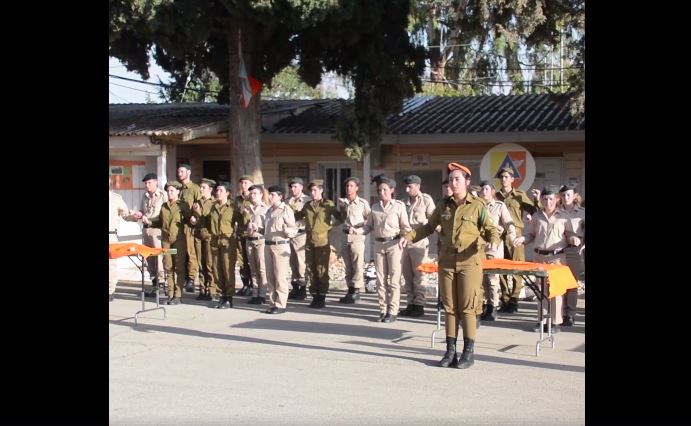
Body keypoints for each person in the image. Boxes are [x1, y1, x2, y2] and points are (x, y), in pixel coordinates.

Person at [404, 163, 499, 368]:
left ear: (467, 182)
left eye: (457, 179)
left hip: (469, 261)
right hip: (447, 261)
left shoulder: (478, 205)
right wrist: (409, 237)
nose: (453, 182)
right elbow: (429, 227)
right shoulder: (443, 205)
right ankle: (450, 351)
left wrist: (493, 240)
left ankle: (468, 352)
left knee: (468, 307)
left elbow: (491, 229)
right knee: (449, 307)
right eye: (451, 179)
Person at [513, 185, 569, 333]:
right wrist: (522, 239)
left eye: (551, 199)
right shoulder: (537, 216)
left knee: (556, 291)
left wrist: (575, 239)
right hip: (540, 257)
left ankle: (556, 322)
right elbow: (531, 235)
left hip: (557, 257)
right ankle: (542, 320)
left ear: (556, 199)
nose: (548, 202)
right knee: (541, 291)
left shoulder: (563, 217)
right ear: (541, 200)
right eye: (545, 199)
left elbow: (570, 235)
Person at [355, 177, 411, 323]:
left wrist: (405, 237)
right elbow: (369, 226)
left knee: (394, 280)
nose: (382, 192)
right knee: (380, 280)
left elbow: (405, 227)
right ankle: (383, 309)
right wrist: (359, 231)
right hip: (379, 245)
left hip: (394, 244)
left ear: (392, 190)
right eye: (380, 190)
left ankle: (393, 311)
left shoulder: (399, 206)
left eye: (385, 189)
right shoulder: (374, 207)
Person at [495, 166, 539, 313]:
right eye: (501, 177)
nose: (503, 179)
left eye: (507, 177)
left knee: (516, 268)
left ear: (512, 179)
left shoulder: (519, 195)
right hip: (499, 235)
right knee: (500, 268)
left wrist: (537, 199)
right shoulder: (496, 196)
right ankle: (505, 299)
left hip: (515, 235)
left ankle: (514, 300)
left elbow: (534, 210)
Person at [295, 179, 341, 309]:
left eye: (315, 190)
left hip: (322, 240)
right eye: (311, 190)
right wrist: (290, 207)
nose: (313, 193)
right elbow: (297, 216)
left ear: (321, 190)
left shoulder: (328, 204)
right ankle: (314, 295)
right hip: (309, 240)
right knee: (311, 268)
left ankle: (322, 297)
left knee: (321, 269)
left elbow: (340, 218)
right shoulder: (308, 205)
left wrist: (330, 225)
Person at [477, 180, 516, 321]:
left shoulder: (499, 206)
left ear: (493, 191)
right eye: (482, 189)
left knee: (492, 278)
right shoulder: (477, 206)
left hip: (494, 247)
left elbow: (509, 223)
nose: (484, 192)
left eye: (487, 189)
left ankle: (493, 307)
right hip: (479, 247)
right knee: (480, 279)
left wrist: (511, 235)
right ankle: (483, 306)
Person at [399, 175, 435, 317]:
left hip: (419, 242)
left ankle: (419, 305)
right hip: (405, 242)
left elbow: (433, 219)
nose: (407, 189)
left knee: (419, 275)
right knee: (407, 275)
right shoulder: (403, 202)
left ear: (418, 187)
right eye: (406, 187)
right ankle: (410, 303)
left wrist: (423, 220)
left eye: (410, 187)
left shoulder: (426, 200)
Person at [152, 181, 191, 305]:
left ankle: (178, 295)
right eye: (168, 191)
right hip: (166, 242)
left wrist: (194, 219)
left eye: (172, 190)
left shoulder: (183, 205)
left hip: (178, 241)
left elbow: (190, 221)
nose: (169, 193)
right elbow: (160, 222)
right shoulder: (164, 206)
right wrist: (148, 222)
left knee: (179, 267)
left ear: (178, 192)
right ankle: (170, 294)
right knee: (168, 267)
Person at [131, 173, 168, 297]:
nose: (147, 185)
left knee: (159, 258)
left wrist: (152, 220)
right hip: (146, 230)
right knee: (148, 257)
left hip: (157, 230)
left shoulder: (163, 195)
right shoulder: (145, 196)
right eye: (146, 183)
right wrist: (138, 213)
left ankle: (162, 285)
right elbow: (143, 210)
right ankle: (154, 284)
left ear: (156, 182)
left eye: (149, 183)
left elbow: (166, 213)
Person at [208, 181, 244, 309]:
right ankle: (221, 295)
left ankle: (229, 297)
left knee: (228, 270)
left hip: (228, 241)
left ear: (227, 193)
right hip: (214, 241)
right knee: (217, 270)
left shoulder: (233, 207)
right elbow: (206, 222)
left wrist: (246, 213)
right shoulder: (212, 207)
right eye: (216, 190)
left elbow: (242, 222)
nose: (217, 193)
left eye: (221, 190)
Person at [263, 185, 298, 314]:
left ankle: (281, 304)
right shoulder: (269, 211)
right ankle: (273, 303)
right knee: (270, 276)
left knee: (280, 276)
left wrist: (286, 230)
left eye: (273, 195)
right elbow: (266, 229)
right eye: (269, 194)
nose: (270, 197)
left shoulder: (286, 210)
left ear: (280, 196)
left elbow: (293, 229)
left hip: (281, 245)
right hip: (268, 245)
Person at [337, 176, 371, 304]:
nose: (349, 188)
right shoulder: (344, 202)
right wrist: (341, 207)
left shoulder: (362, 203)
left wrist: (361, 227)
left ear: (357, 188)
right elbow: (340, 219)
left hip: (356, 235)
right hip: (345, 235)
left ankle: (356, 291)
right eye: (347, 186)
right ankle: (350, 290)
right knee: (347, 264)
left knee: (357, 263)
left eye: (351, 186)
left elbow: (370, 218)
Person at [558, 183, 585, 326]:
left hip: (574, 250)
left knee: (571, 282)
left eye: (568, 194)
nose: (565, 197)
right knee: (559, 282)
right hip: (558, 250)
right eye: (563, 195)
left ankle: (570, 314)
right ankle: (559, 313)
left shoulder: (582, 212)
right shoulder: (555, 211)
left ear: (574, 196)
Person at [189, 178, 216, 300]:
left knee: (209, 264)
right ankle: (202, 289)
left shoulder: (214, 203)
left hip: (209, 236)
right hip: (198, 235)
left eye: (204, 187)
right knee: (200, 263)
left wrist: (198, 213)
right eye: (200, 187)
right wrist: (192, 219)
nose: (201, 189)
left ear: (210, 189)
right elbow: (194, 218)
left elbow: (210, 220)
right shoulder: (197, 202)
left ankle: (211, 289)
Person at [243, 184, 269, 305]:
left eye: (255, 193)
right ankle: (255, 294)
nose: (252, 196)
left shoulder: (266, 209)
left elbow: (268, 228)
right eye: (251, 193)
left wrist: (257, 228)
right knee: (253, 269)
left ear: (261, 195)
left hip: (260, 240)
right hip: (249, 239)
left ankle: (262, 294)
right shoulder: (248, 209)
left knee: (261, 269)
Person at [177, 164, 201, 293]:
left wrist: (195, 219)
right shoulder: (178, 189)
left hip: (189, 226)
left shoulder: (194, 189)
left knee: (190, 252)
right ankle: (183, 277)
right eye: (178, 171)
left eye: (182, 171)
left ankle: (191, 279)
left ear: (189, 172)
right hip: (178, 226)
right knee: (180, 253)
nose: (179, 173)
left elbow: (199, 206)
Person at [286, 177, 311, 300]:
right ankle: (295, 286)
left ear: (301, 187)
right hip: (289, 234)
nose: (293, 189)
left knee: (301, 261)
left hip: (301, 233)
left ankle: (302, 288)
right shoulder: (287, 201)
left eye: (295, 186)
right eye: (291, 186)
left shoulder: (307, 200)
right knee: (292, 262)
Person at [109, 177, 132, 302]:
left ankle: (110, 291)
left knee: (111, 265)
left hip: (111, 236)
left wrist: (134, 216)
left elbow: (126, 215)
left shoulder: (116, 199)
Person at [235, 175, 254, 296]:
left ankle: (253, 285)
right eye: (242, 183)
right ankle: (245, 284)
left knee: (251, 260)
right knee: (241, 260)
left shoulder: (254, 198)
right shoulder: (238, 200)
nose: (243, 185)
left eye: (246, 183)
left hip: (251, 232)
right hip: (240, 232)